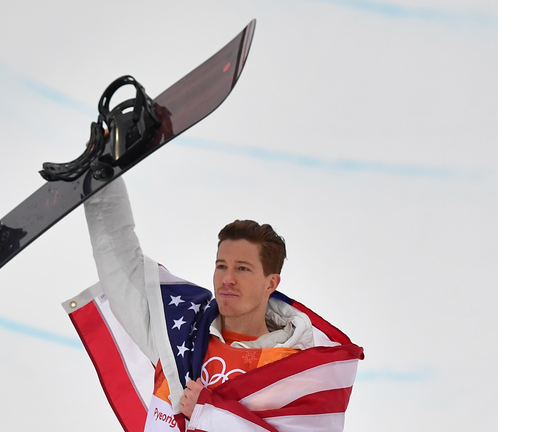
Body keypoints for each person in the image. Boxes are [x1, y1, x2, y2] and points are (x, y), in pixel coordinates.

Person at [79, 177, 362, 432]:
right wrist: (103, 179)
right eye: (221, 266)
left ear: (271, 283)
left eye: (242, 269)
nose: (227, 279)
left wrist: (208, 413)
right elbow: (120, 263)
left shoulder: (296, 371)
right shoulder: (178, 330)